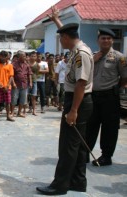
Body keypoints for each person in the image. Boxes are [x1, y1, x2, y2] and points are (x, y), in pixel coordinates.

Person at [36, 6, 94, 195]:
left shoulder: (80, 54)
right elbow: (66, 32)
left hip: (78, 100)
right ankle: (78, 181)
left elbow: (81, 84)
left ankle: (59, 185)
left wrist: (73, 111)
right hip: (79, 100)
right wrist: (56, 21)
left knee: (68, 146)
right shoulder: (78, 48)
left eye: (61, 38)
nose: (60, 41)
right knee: (76, 144)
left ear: (66, 39)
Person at [86, 28, 127, 166]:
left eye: (109, 38)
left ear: (112, 40)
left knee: (110, 128)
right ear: (98, 40)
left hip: (110, 97)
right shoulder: (92, 56)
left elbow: (124, 78)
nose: (106, 40)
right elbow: (84, 73)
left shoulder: (119, 57)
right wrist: (92, 60)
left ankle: (106, 156)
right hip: (93, 96)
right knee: (90, 126)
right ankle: (85, 153)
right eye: (103, 38)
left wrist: (115, 88)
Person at [0, 50, 15, 122]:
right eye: (2, 57)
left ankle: (8, 116)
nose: (4, 58)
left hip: (7, 87)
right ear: (0, 56)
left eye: (5, 57)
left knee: (8, 102)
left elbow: (11, 76)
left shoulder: (10, 65)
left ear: (7, 57)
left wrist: (8, 85)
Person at [11, 51, 32, 117]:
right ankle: (12, 112)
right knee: (14, 99)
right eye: (24, 56)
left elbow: (29, 74)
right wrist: (13, 83)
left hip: (24, 84)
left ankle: (19, 112)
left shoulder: (27, 65)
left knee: (23, 99)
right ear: (19, 57)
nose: (25, 57)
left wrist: (30, 82)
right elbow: (11, 75)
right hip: (16, 85)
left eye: (25, 56)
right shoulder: (14, 64)